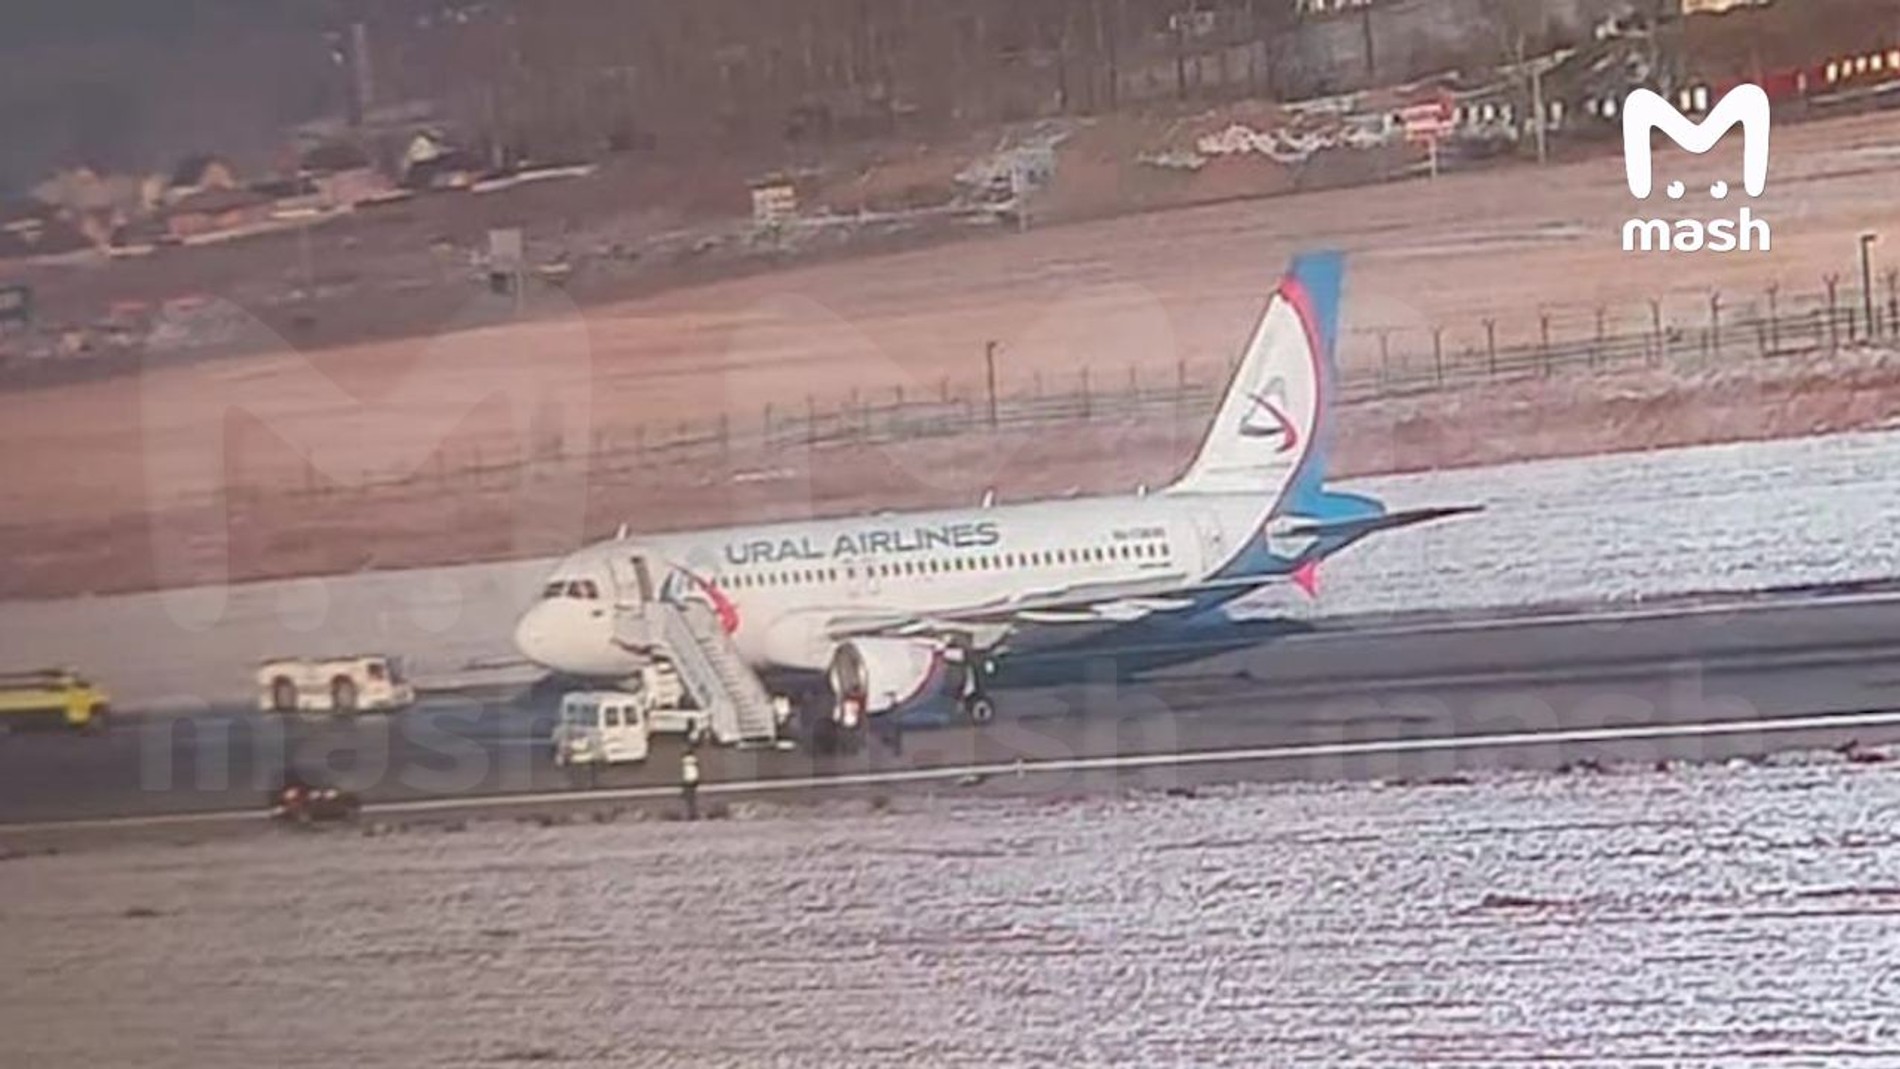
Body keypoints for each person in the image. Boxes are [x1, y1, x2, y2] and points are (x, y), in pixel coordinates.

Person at [679, 747, 701, 821]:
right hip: (693, 780)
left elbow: (686, 774)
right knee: (692, 799)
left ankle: (690, 814)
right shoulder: (694, 763)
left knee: (689, 799)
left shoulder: (685, 763)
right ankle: (693, 813)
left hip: (687, 781)